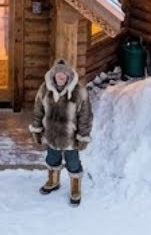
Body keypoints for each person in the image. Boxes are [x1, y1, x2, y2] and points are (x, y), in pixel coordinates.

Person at [29, 58, 93, 206]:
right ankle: (53, 181)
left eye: (63, 75)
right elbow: (38, 111)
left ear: (68, 76)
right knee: (52, 159)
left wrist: (83, 136)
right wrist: (37, 129)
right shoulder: (45, 90)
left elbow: (85, 116)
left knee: (73, 163)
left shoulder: (79, 92)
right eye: (58, 75)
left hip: (70, 138)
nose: (61, 77)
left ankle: (75, 188)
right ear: (53, 76)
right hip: (51, 135)